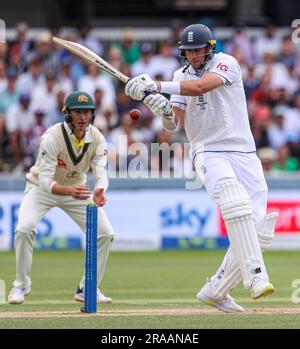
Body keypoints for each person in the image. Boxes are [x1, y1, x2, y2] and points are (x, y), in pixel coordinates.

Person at [125, 24, 278, 313]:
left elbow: (202, 86)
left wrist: (156, 86)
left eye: (198, 50)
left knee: (259, 229)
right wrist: (165, 112)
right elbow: (177, 125)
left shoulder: (226, 63)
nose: (194, 56)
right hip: (208, 150)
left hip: (244, 151)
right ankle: (257, 277)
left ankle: (216, 290)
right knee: (234, 200)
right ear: (184, 53)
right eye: (189, 51)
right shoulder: (179, 76)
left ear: (210, 48)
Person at [8, 91, 114, 305]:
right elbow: (46, 181)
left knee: (106, 234)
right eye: (78, 113)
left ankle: (88, 288)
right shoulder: (51, 137)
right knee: (24, 229)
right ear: (68, 114)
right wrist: (69, 191)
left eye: (87, 113)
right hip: (41, 189)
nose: (83, 118)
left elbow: (101, 173)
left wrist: (100, 189)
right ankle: (21, 285)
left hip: (77, 189)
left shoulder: (98, 138)